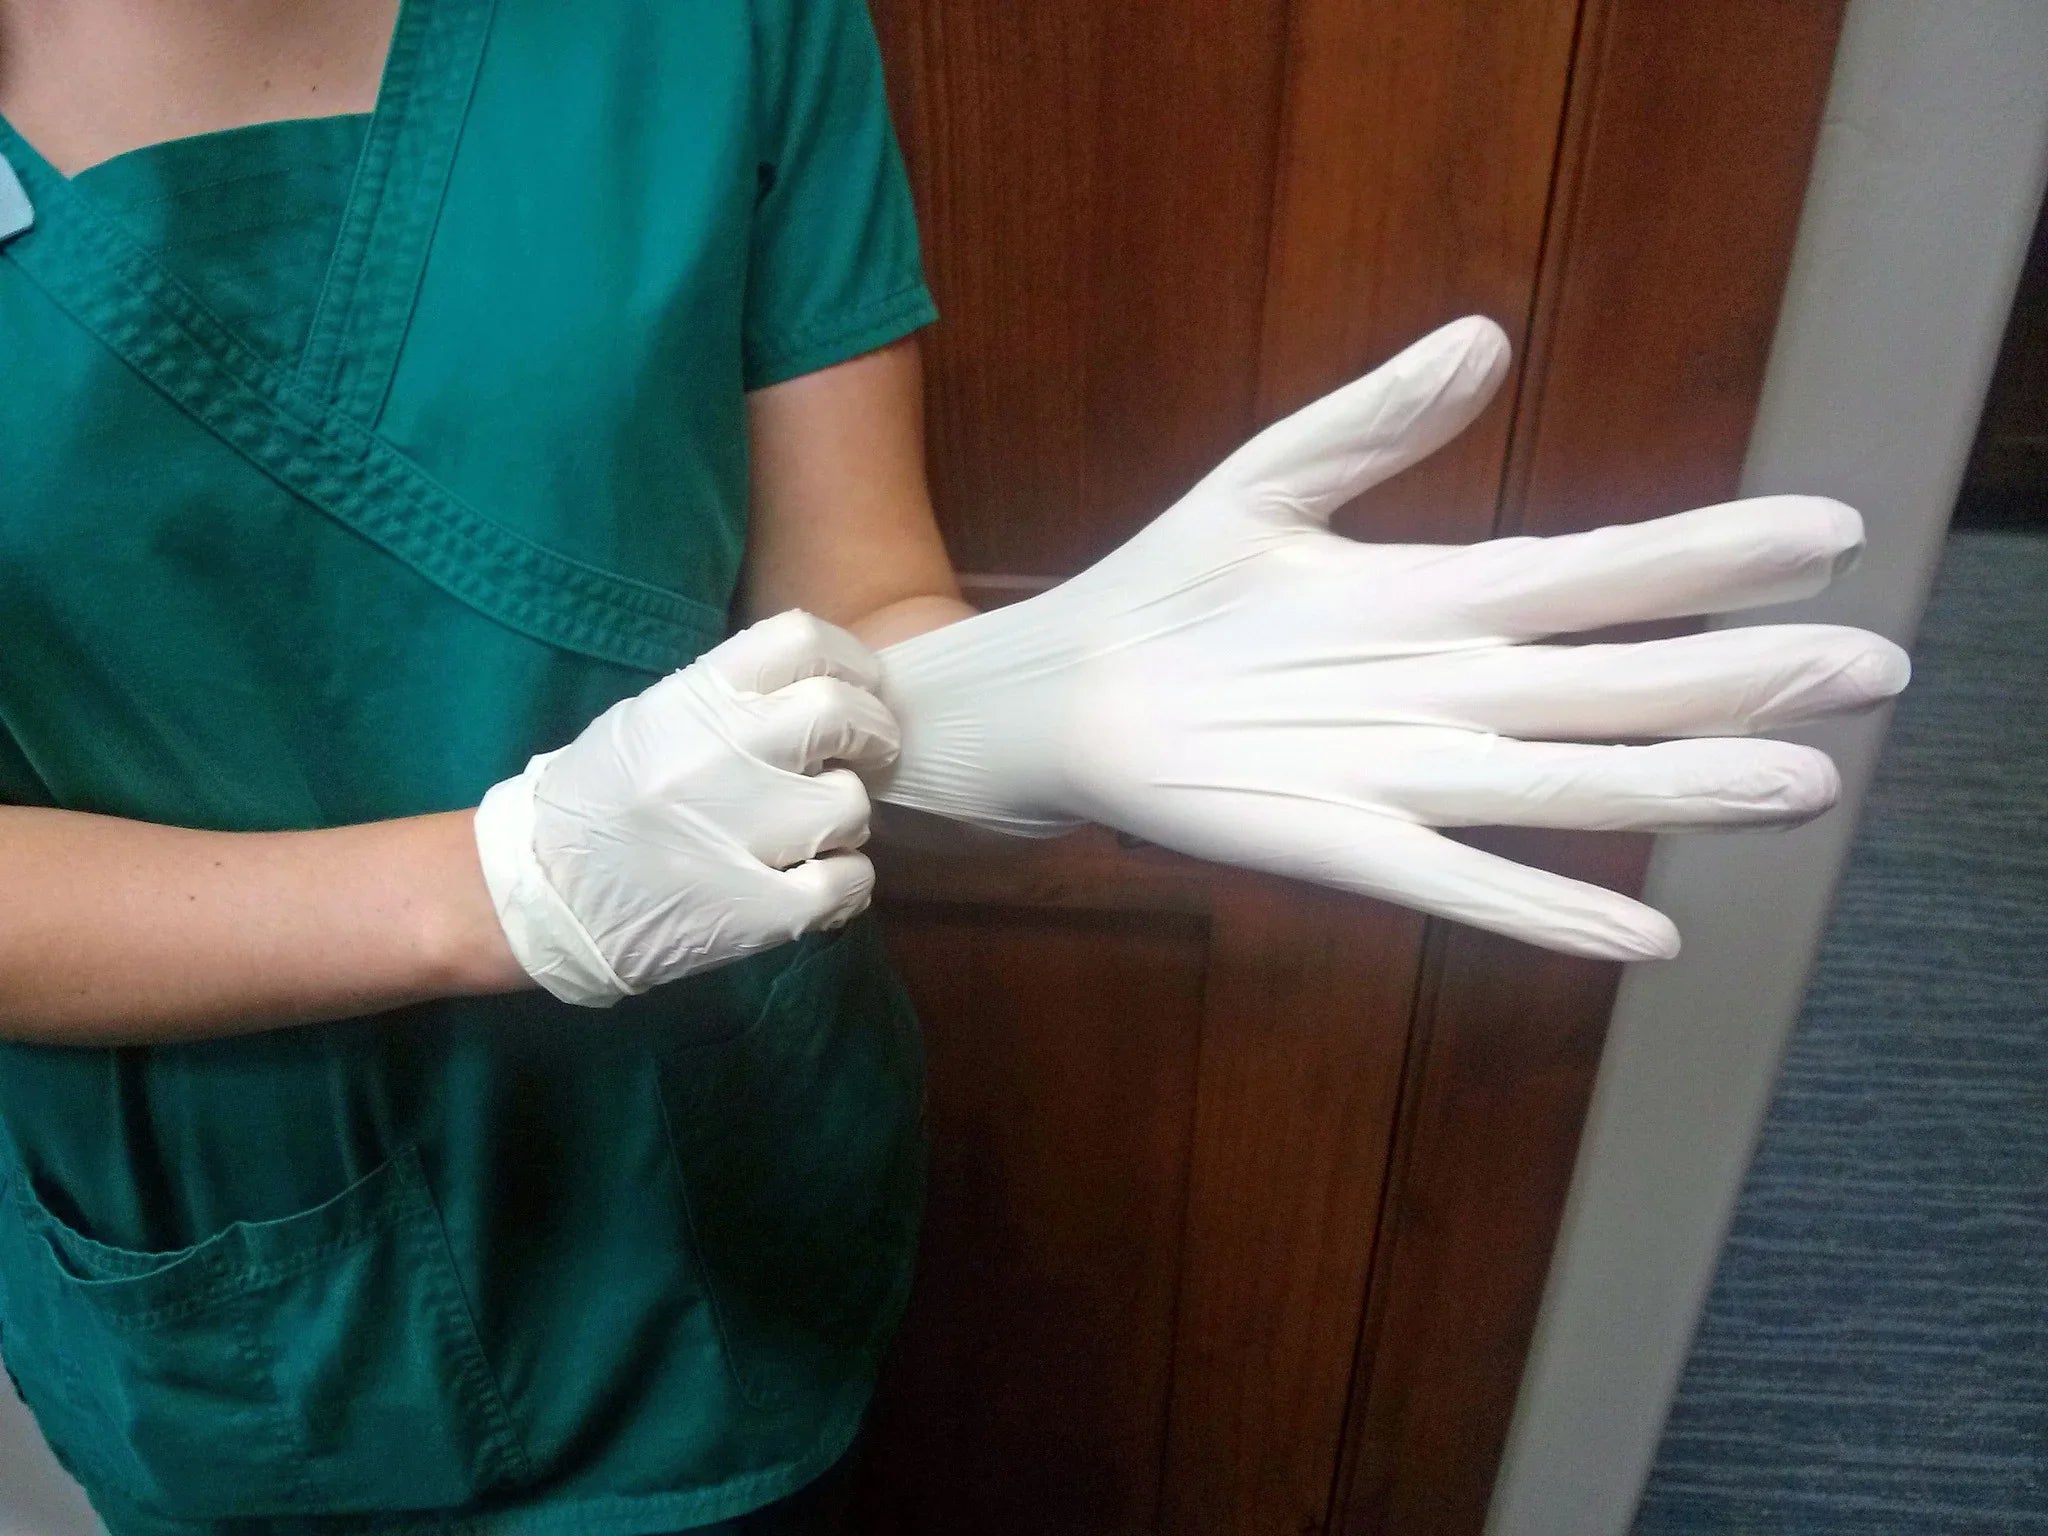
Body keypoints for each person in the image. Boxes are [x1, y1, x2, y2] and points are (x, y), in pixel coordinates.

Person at [0, 2, 1908, 1533]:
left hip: (719, 1162)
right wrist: (487, 891)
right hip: (247, 1260)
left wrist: (1019, 702)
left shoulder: (728, 21)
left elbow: (861, 594)